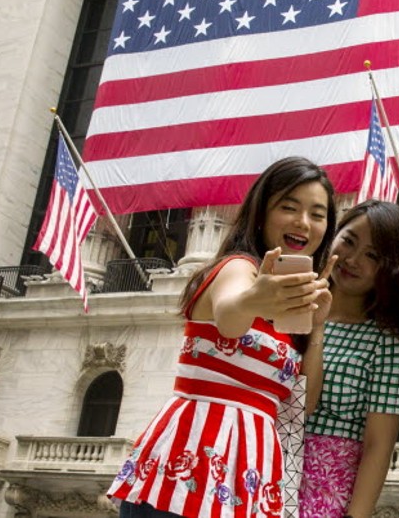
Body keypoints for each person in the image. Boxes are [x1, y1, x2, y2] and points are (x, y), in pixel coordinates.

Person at [109, 157, 337, 518]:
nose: (303, 222)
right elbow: (230, 317)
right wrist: (254, 299)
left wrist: (318, 325)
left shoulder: (292, 305)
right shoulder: (238, 267)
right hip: (186, 471)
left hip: (248, 476)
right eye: (289, 207)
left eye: (317, 214)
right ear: (261, 213)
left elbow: (302, 405)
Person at [299, 199, 399, 518]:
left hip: (325, 493)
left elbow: (377, 447)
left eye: (372, 255)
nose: (352, 260)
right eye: (349, 241)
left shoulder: (387, 341)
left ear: (391, 267)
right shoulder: (289, 313)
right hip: (260, 473)